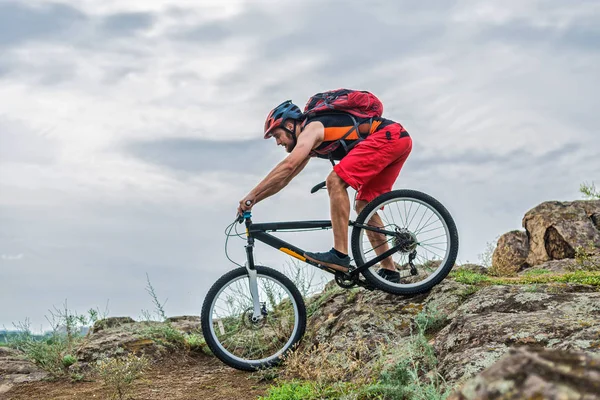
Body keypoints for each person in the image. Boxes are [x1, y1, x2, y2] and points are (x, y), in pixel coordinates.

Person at [237, 92, 412, 283]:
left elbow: (288, 165)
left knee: (335, 180)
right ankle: (390, 271)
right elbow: (284, 178)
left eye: (277, 136)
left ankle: (339, 255)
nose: (278, 142)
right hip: (398, 139)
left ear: (289, 125)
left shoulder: (312, 128)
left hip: (389, 137)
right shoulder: (312, 144)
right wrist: (254, 200)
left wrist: (251, 194)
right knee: (364, 206)